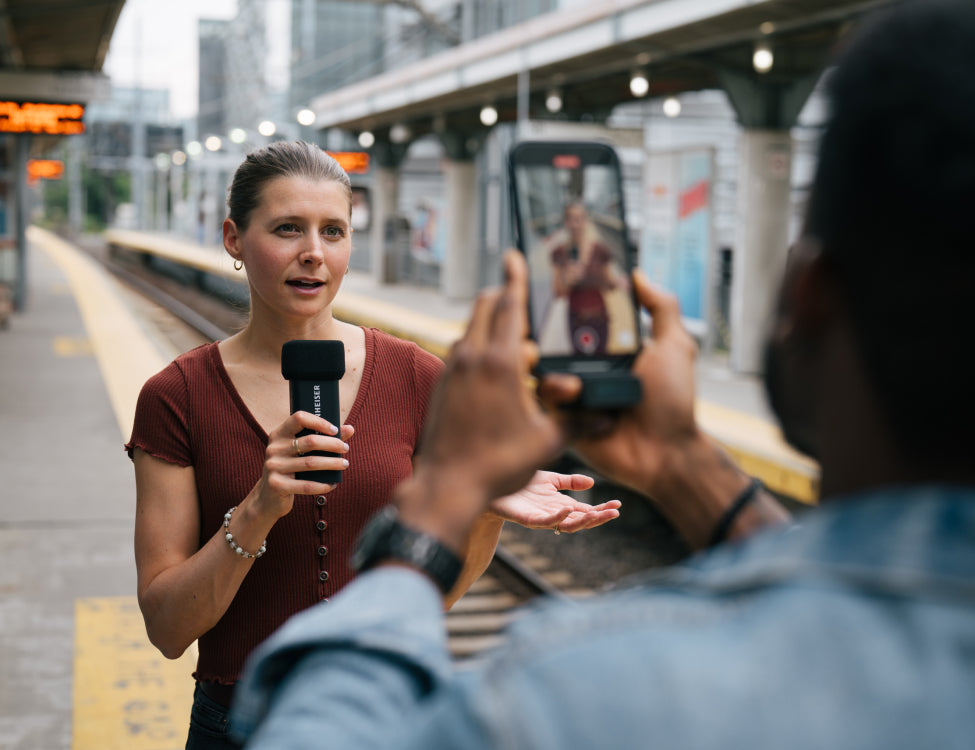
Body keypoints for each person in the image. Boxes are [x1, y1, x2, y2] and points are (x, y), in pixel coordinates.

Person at [230, 1, 975, 747]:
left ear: (808, 300)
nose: (314, 251)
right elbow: (857, 617)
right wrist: (688, 469)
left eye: (333, 231)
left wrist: (439, 504)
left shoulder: (589, 694)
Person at [125, 141, 622, 749]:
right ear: (233, 239)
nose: (313, 253)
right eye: (287, 229)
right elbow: (168, 628)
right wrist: (256, 511)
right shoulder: (176, 397)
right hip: (241, 726)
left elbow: (431, 599)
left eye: (333, 231)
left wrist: (484, 514)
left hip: (389, 720)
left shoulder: (418, 378)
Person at [537, 200, 631, 356]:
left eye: (580, 219)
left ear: (586, 221)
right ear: (566, 222)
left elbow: (607, 284)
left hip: (600, 317)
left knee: (602, 357)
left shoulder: (600, 250)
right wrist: (566, 280)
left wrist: (618, 282)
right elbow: (558, 292)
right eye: (571, 219)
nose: (576, 224)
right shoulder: (559, 253)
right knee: (580, 358)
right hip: (576, 318)